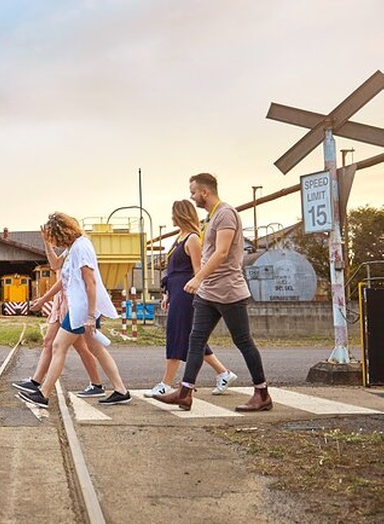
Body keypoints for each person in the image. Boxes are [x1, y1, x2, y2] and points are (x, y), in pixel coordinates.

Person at [154, 173, 271, 412]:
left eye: (193, 192)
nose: (192, 196)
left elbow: (222, 252)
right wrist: (202, 284)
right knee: (195, 340)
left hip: (228, 290)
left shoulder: (225, 214)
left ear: (205, 192)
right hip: (209, 292)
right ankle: (185, 393)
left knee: (243, 341)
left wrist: (198, 278)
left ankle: (262, 393)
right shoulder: (212, 217)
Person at [16, 212, 130, 408]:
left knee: (58, 346)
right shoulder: (73, 248)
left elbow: (91, 282)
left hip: (82, 309)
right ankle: (121, 390)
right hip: (80, 307)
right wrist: (46, 244)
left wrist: (91, 316)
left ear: (62, 233)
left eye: (54, 237)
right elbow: (55, 265)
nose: (55, 241)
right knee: (95, 348)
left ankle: (43, 394)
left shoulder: (81, 248)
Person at [144, 200, 237, 398]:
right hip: (176, 292)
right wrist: (167, 294)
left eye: (173, 213)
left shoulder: (193, 239)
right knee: (190, 338)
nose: (171, 217)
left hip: (187, 294)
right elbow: (173, 270)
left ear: (180, 215)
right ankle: (224, 373)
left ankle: (166, 384)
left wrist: (199, 293)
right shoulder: (180, 237)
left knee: (177, 335)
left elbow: (197, 269)